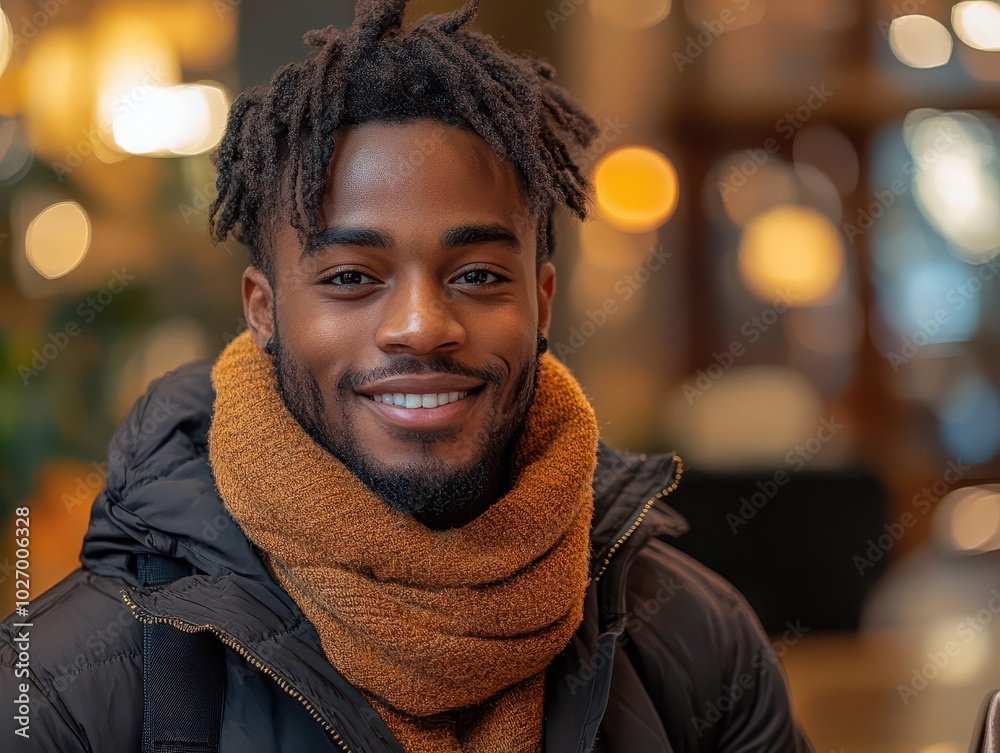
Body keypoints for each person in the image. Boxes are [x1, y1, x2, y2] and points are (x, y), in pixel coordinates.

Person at [1, 1, 814, 750]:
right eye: (353, 277)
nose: (422, 325)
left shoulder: (700, 645)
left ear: (542, 300)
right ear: (263, 309)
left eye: (478, 276)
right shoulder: (66, 689)